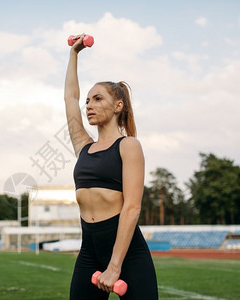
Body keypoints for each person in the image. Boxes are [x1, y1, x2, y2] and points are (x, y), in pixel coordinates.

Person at [65, 34, 158, 299]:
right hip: (89, 251)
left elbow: (132, 207)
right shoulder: (83, 146)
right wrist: (73, 55)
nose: (88, 106)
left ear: (118, 106)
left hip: (127, 254)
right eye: (88, 101)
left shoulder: (128, 146)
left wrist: (115, 266)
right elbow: (70, 99)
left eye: (97, 99)